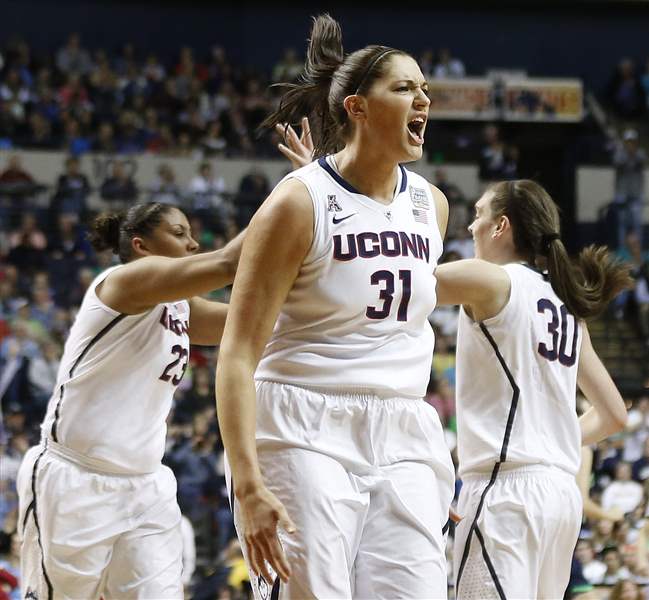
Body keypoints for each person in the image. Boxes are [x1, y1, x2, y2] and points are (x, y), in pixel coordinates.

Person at [215, 14, 455, 599]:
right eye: (404, 88)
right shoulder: (297, 204)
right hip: (303, 425)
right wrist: (247, 485)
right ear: (356, 107)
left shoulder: (433, 205)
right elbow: (238, 354)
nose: (423, 99)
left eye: (425, 89)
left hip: (402, 425)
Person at [17, 201, 244, 599]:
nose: (192, 244)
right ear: (141, 246)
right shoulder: (123, 283)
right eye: (178, 233)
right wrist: (306, 190)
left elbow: (251, 320)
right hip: (77, 482)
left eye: (191, 234)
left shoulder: (180, 307)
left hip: (145, 485)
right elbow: (228, 262)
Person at [432, 179, 630, 598]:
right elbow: (614, 414)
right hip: (558, 496)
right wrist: (549, 441)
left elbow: (396, 279)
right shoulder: (567, 307)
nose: (471, 228)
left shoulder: (491, 280)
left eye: (479, 215)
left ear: (501, 226)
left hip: (506, 494)